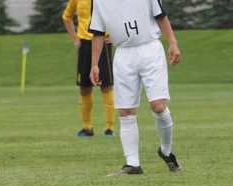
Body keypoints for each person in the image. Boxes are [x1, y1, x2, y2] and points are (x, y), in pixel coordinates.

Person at [89, 0, 183, 176]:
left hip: (150, 49)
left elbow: (160, 16)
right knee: (125, 111)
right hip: (123, 54)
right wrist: (94, 64)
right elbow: (97, 32)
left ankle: (166, 150)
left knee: (159, 107)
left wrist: (172, 42)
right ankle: (132, 164)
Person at [62, 0, 115, 138]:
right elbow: (66, 16)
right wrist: (74, 37)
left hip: (103, 41)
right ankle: (87, 127)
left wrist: (115, 35)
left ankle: (109, 128)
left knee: (106, 85)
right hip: (85, 43)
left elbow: (120, 14)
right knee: (84, 87)